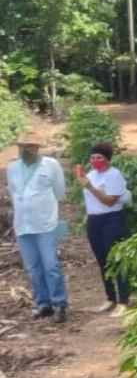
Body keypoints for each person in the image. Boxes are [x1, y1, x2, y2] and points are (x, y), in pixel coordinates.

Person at [6, 133, 68, 323]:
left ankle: (60, 304)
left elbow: (59, 192)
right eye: (22, 146)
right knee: (33, 267)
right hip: (23, 224)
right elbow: (14, 192)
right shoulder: (12, 167)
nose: (26, 149)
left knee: (50, 265)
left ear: (37, 147)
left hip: (46, 223)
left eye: (30, 146)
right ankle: (43, 304)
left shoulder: (50, 165)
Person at [77, 142, 132, 317]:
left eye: (99, 157)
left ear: (107, 159)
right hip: (94, 220)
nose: (95, 160)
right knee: (102, 261)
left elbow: (110, 201)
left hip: (112, 220)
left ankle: (123, 300)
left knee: (116, 260)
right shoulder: (90, 175)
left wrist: (91, 188)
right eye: (92, 157)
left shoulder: (114, 175)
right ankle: (110, 298)